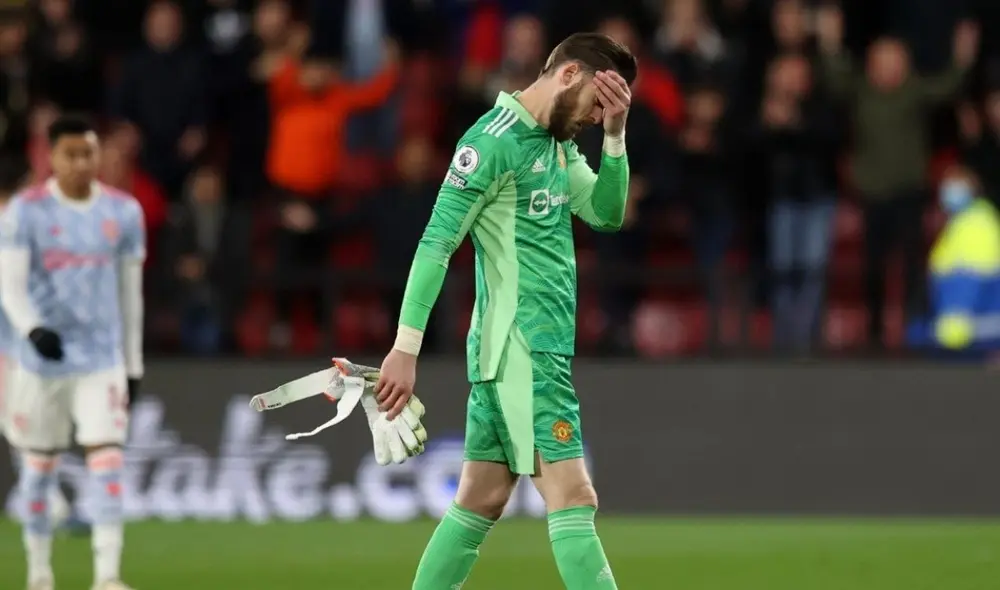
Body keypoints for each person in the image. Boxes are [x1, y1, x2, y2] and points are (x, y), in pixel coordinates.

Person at [376, 33, 637, 589]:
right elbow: (437, 243)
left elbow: (606, 213)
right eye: (597, 105)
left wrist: (615, 137)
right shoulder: (491, 144)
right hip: (524, 350)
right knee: (574, 496)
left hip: (519, 351)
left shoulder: (554, 142)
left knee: (482, 498)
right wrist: (405, 347)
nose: (595, 118)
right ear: (569, 74)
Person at [0, 115, 145, 590]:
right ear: (51, 157)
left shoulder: (123, 211)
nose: (81, 163)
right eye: (71, 154)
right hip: (41, 363)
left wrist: (133, 363)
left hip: (101, 360)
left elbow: (130, 293)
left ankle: (108, 576)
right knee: (38, 469)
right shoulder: (25, 211)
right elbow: (9, 286)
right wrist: (33, 329)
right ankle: (40, 573)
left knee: (108, 460)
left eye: (88, 153)